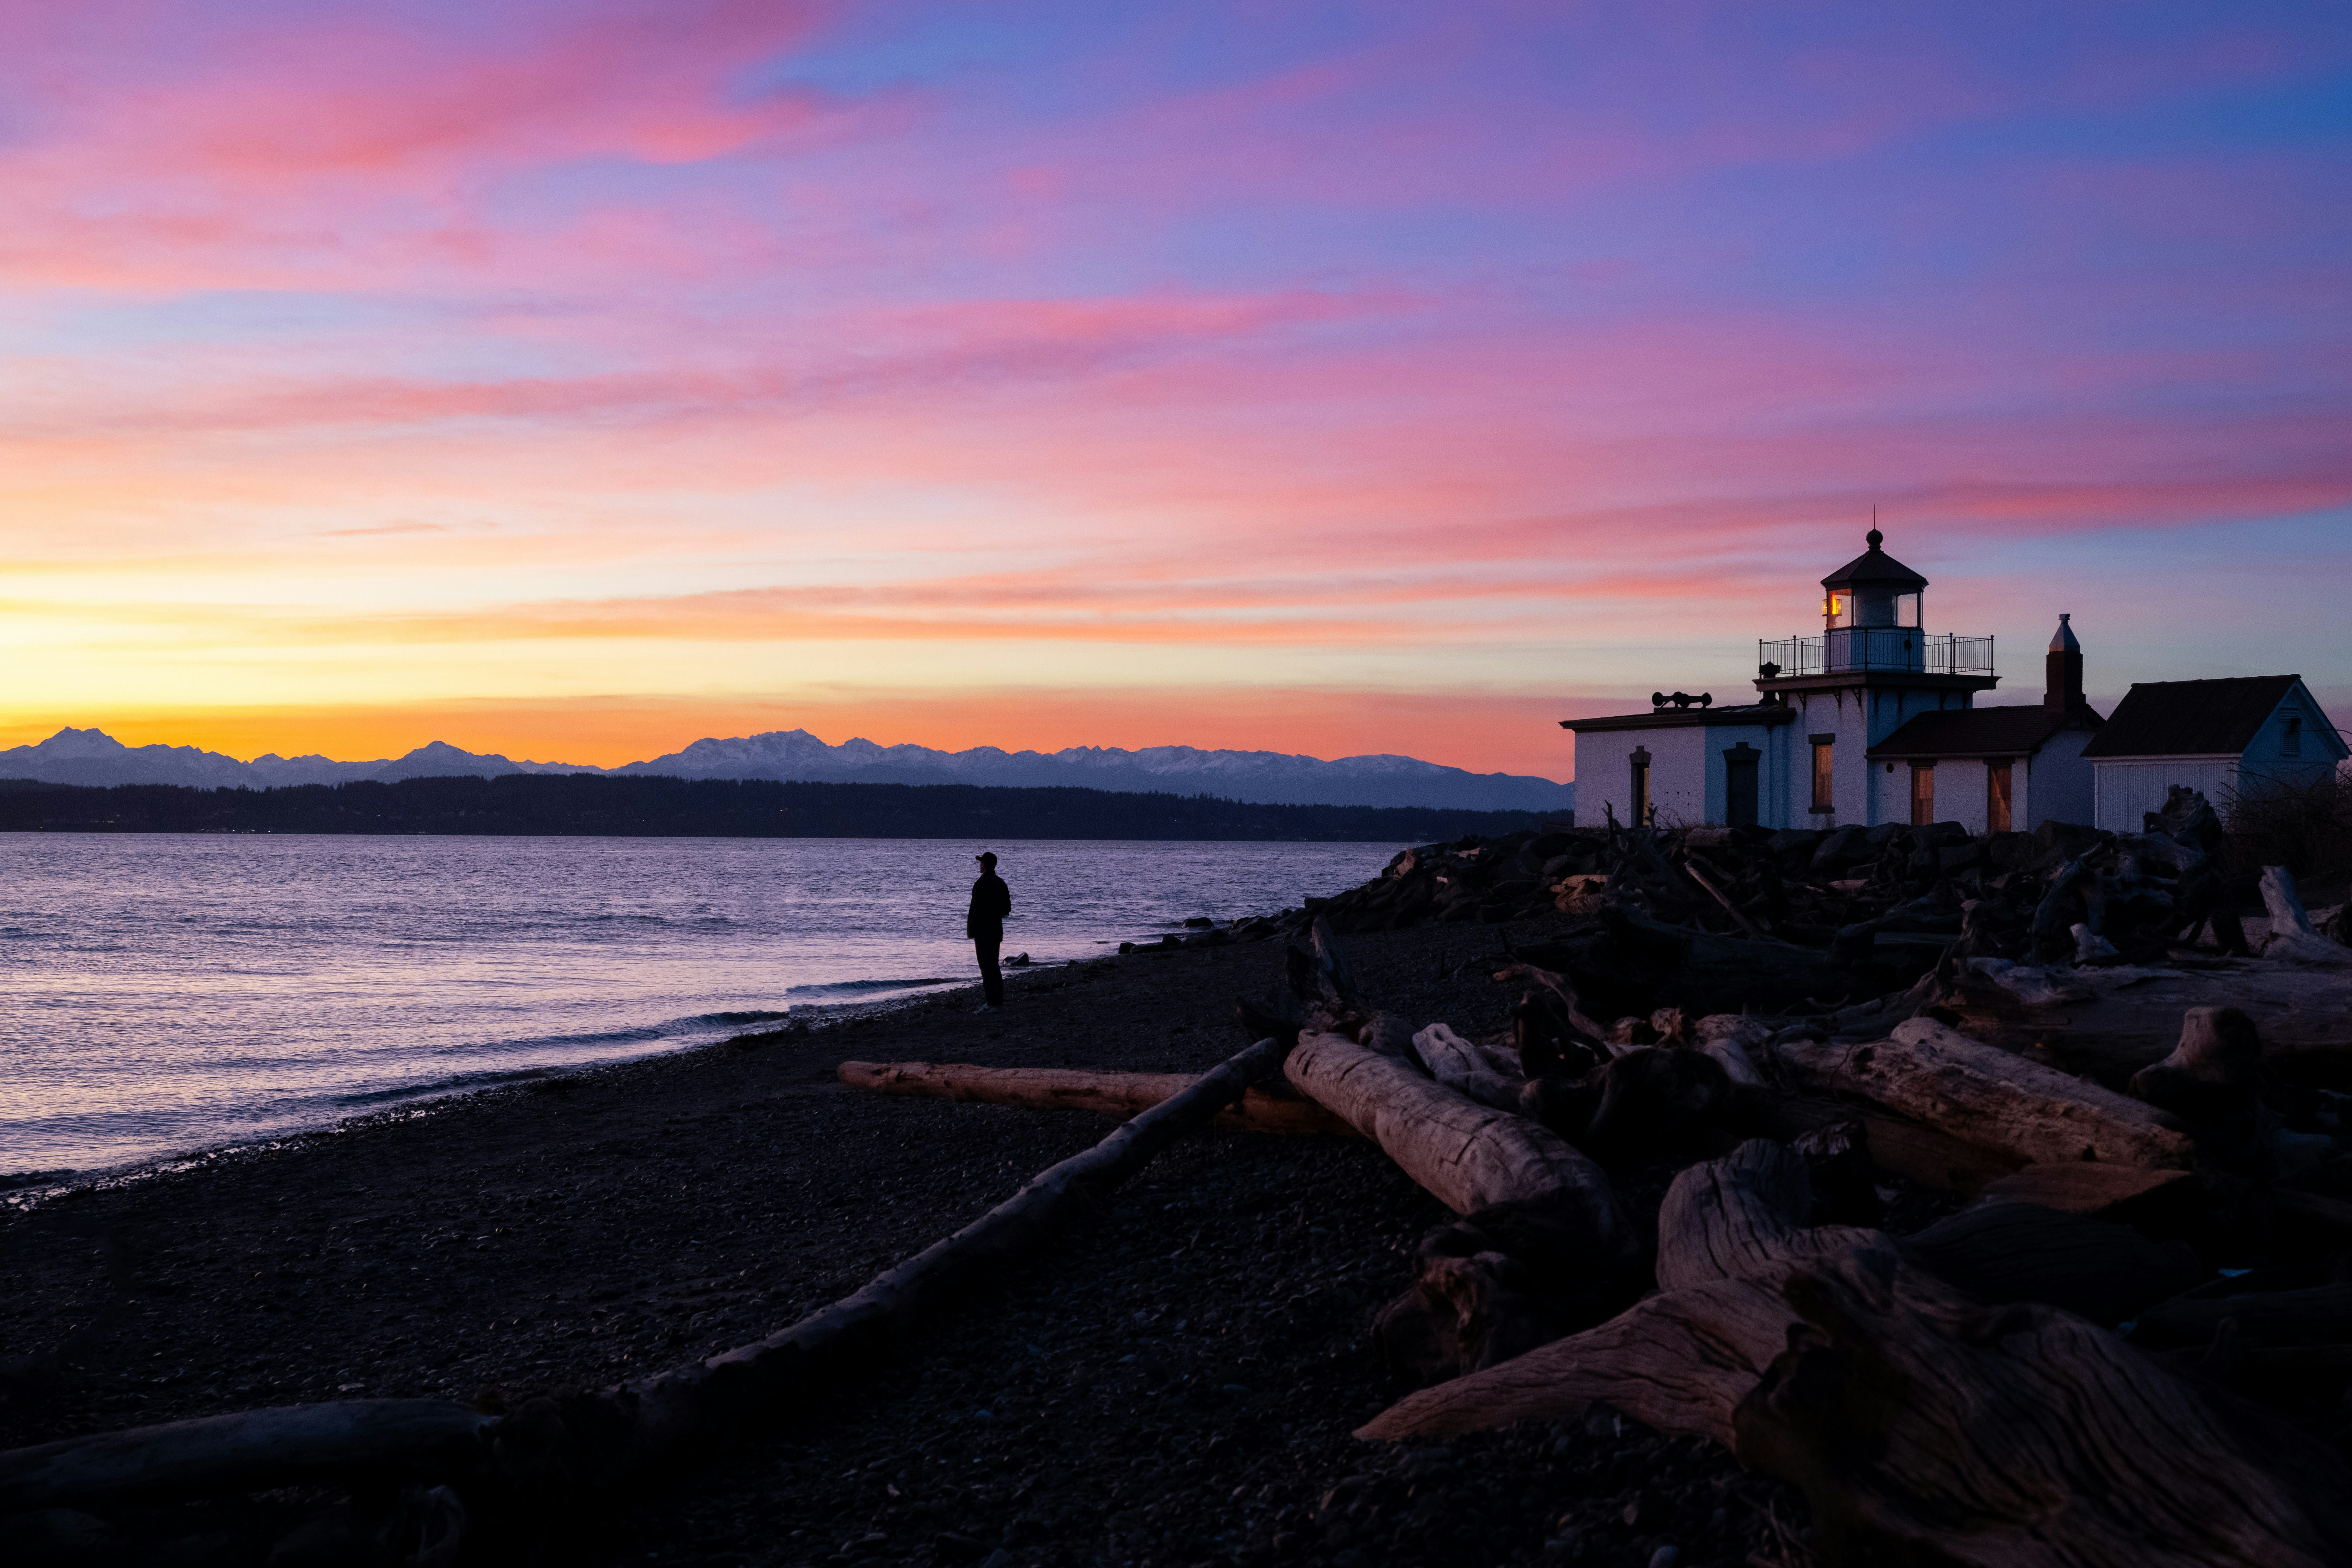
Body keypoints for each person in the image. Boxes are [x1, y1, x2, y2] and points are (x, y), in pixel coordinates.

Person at [967, 851, 1012, 1011]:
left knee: (986, 967)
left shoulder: (981, 884)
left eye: (981, 863)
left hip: (983, 932)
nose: (979, 865)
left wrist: (974, 928)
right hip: (995, 931)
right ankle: (997, 1002)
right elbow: (1007, 908)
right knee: (994, 966)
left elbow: (978, 910)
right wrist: (996, 916)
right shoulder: (1000, 883)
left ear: (984, 865)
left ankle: (992, 1003)